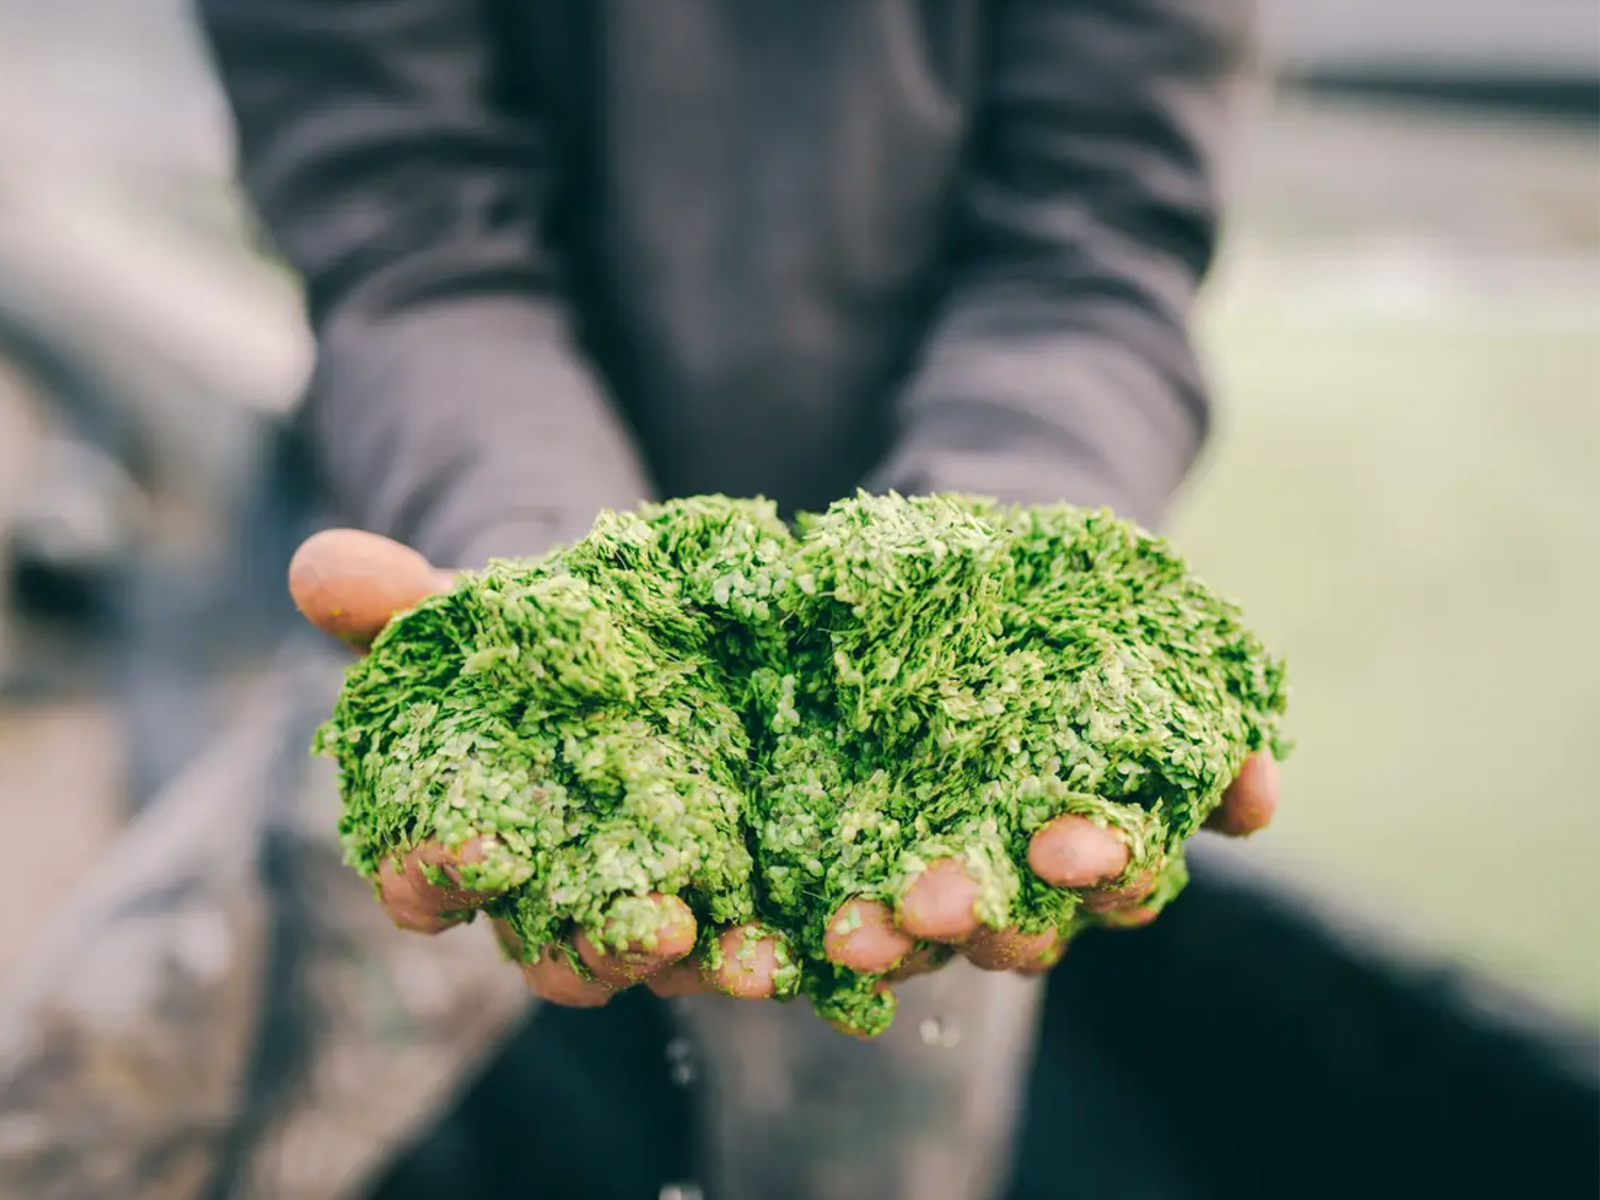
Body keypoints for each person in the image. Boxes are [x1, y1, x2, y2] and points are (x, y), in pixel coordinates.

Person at [197, 2, 1276, 1197]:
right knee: (179, 1072)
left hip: (932, 612)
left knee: (875, 1111)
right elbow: (413, 238)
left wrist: (1002, 558)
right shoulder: (511, 631)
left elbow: (1094, 243)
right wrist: (544, 587)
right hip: (472, 543)